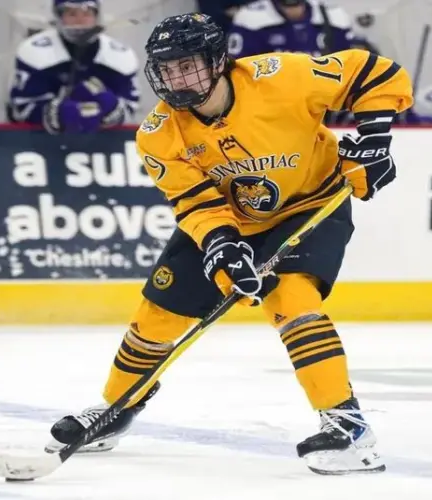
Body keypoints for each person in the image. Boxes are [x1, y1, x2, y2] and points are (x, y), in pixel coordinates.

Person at [44, 13, 413, 475]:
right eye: (167, 68)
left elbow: (375, 73)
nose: (176, 77)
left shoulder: (281, 77)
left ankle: (348, 427)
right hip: (234, 220)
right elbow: (195, 204)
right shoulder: (159, 133)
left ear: (218, 61)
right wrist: (222, 246)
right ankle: (118, 406)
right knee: (157, 315)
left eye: (187, 65)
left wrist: (374, 139)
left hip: (311, 202)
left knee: (291, 296)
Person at [8, 0, 140, 133]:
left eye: (87, 14)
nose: (80, 20)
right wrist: (56, 114)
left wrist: (114, 110)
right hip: (42, 147)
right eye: (72, 14)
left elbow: (131, 111)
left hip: (106, 147)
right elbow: (19, 109)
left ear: (96, 16)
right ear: (59, 17)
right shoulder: (33, 51)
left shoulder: (120, 55)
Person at [227, 0, 358, 59]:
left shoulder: (334, 16)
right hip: (272, 100)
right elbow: (237, 68)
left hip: (326, 100)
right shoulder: (251, 18)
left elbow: (350, 65)